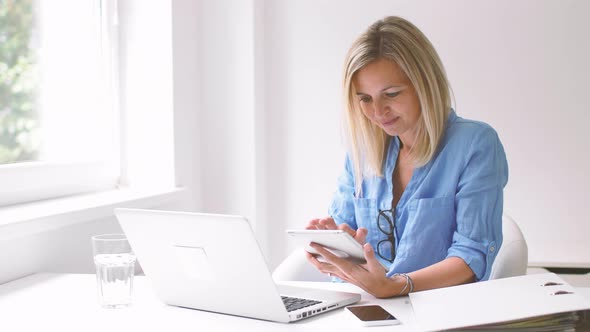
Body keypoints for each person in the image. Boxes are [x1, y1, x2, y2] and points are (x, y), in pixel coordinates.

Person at [305, 16, 508, 298]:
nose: (378, 111)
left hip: (441, 312)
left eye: (391, 94)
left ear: (425, 83)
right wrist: (337, 243)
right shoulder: (362, 155)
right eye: (365, 99)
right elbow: (347, 233)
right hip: (369, 310)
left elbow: (471, 257)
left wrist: (397, 285)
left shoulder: (474, 144)